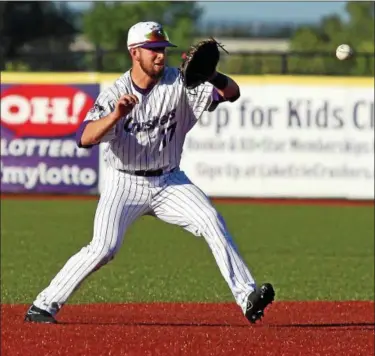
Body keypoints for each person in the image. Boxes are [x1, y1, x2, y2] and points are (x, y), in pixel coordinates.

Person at [25, 21, 275, 324]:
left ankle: (247, 296)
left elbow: (232, 93)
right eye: (153, 49)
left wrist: (212, 75)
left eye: (163, 50)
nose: (160, 55)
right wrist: (117, 114)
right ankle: (44, 305)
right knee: (104, 248)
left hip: (170, 180)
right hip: (125, 182)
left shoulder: (180, 83)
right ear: (134, 53)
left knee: (210, 220)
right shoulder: (116, 92)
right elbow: (84, 138)